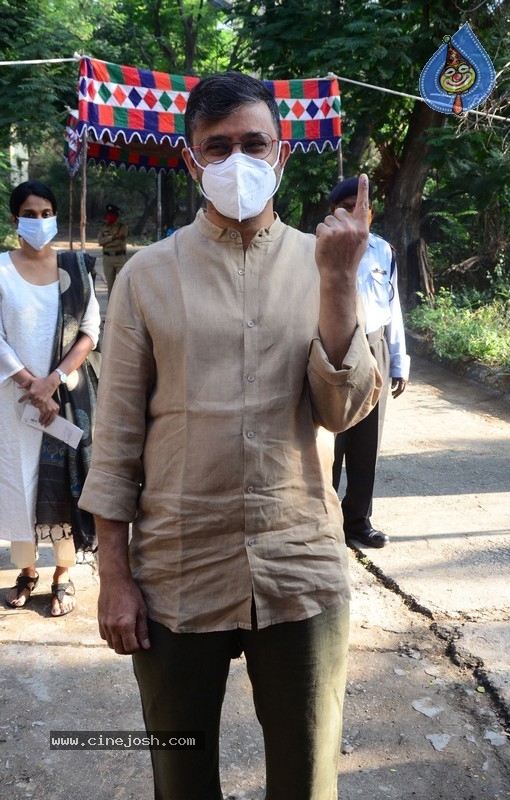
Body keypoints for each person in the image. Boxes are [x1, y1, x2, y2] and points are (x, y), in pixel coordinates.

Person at [79, 71, 381, 800]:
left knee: (307, 780)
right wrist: (115, 577)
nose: (237, 161)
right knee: (181, 778)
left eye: (254, 144)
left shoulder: (327, 262)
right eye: (218, 147)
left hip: (298, 566)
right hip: (177, 569)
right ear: (192, 161)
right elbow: (114, 438)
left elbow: (343, 412)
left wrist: (338, 282)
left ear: (282, 155)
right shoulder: (147, 277)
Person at [0, 180, 100, 616]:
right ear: (14, 220)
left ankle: (62, 574)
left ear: (55, 217)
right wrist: (31, 384)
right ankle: (26, 570)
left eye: (46, 214)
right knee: (18, 483)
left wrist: (53, 380)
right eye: (29, 214)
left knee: (65, 484)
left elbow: (90, 331)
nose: (39, 221)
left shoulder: (75, 268)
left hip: (66, 397)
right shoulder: (1, 269)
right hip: (14, 401)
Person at [329, 177, 410, 549]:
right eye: (345, 207)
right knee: (329, 439)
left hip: (374, 345)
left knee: (367, 440)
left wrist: (399, 362)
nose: (353, 213)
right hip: (332, 346)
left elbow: (393, 307)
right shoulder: (313, 248)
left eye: (360, 207)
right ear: (332, 212)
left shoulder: (383, 251)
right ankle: (324, 520)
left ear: (371, 213)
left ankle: (358, 520)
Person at [97, 203, 128, 297]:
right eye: (108, 214)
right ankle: (111, 305)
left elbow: (121, 238)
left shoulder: (122, 226)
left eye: (112, 215)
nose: (110, 217)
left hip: (120, 257)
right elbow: (100, 241)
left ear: (116, 215)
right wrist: (113, 237)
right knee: (110, 286)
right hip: (107, 258)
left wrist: (107, 240)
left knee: (124, 283)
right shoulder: (104, 226)